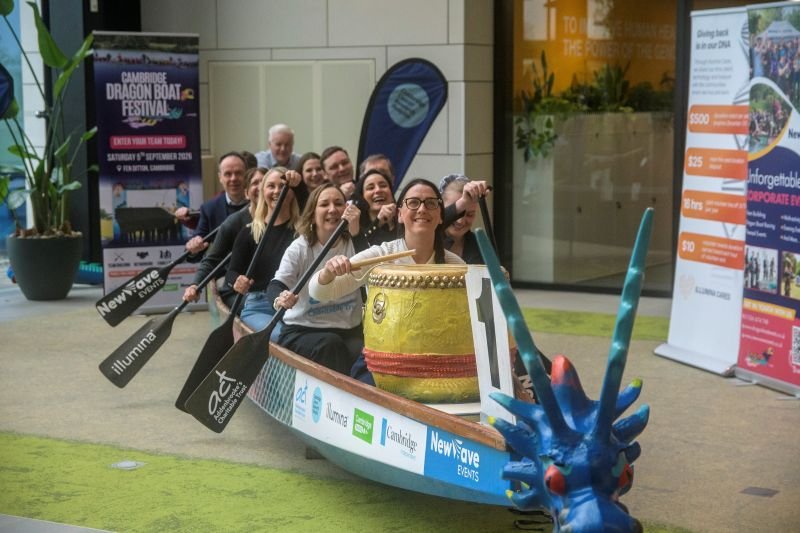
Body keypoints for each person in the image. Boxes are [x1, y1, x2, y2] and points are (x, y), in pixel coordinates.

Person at [310, 178, 465, 383]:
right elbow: (319, 292)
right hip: (381, 365)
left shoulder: (455, 265)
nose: (422, 209)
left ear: (440, 216)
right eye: (413, 203)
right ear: (400, 214)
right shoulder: (380, 255)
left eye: (430, 203)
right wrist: (328, 272)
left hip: (437, 367)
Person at [267, 183, 364, 374]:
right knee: (330, 344)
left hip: (347, 330)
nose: (332, 209)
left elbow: (369, 271)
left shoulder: (355, 242)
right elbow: (276, 285)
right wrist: (280, 298)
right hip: (302, 330)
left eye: (338, 203)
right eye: (324, 204)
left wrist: (357, 233)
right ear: (312, 213)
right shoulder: (299, 247)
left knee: (363, 351)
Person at [225, 167, 304, 337]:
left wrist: (299, 184)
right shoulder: (249, 232)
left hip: (295, 304)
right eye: (271, 186)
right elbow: (232, 272)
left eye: (283, 186)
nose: (277, 191)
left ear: (292, 192)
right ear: (263, 192)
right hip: (260, 307)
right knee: (283, 337)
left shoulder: (302, 232)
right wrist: (237, 281)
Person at [182, 166, 266, 308]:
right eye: (255, 183)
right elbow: (212, 260)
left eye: (265, 183)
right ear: (246, 193)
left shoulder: (284, 219)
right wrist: (195, 285)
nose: (260, 187)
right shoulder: (234, 222)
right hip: (241, 292)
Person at [177, 151, 249, 256]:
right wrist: (194, 248)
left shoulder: (260, 204)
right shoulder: (210, 208)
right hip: (223, 270)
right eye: (228, 174)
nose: (233, 178)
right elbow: (197, 249)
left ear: (247, 175)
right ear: (220, 177)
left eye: (238, 173)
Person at [439, 174, 482, 264]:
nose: (460, 221)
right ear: (440, 207)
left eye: (470, 214)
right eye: (457, 212)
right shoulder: (428, 240)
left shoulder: (480, 246)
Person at [352, 168, 397, 246]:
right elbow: (361, 247)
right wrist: (378, 222)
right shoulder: (355, 227)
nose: (378, 190)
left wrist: (391, 225)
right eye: (371, 188)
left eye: (383, 186)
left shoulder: (404, 219)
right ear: (362, 197)